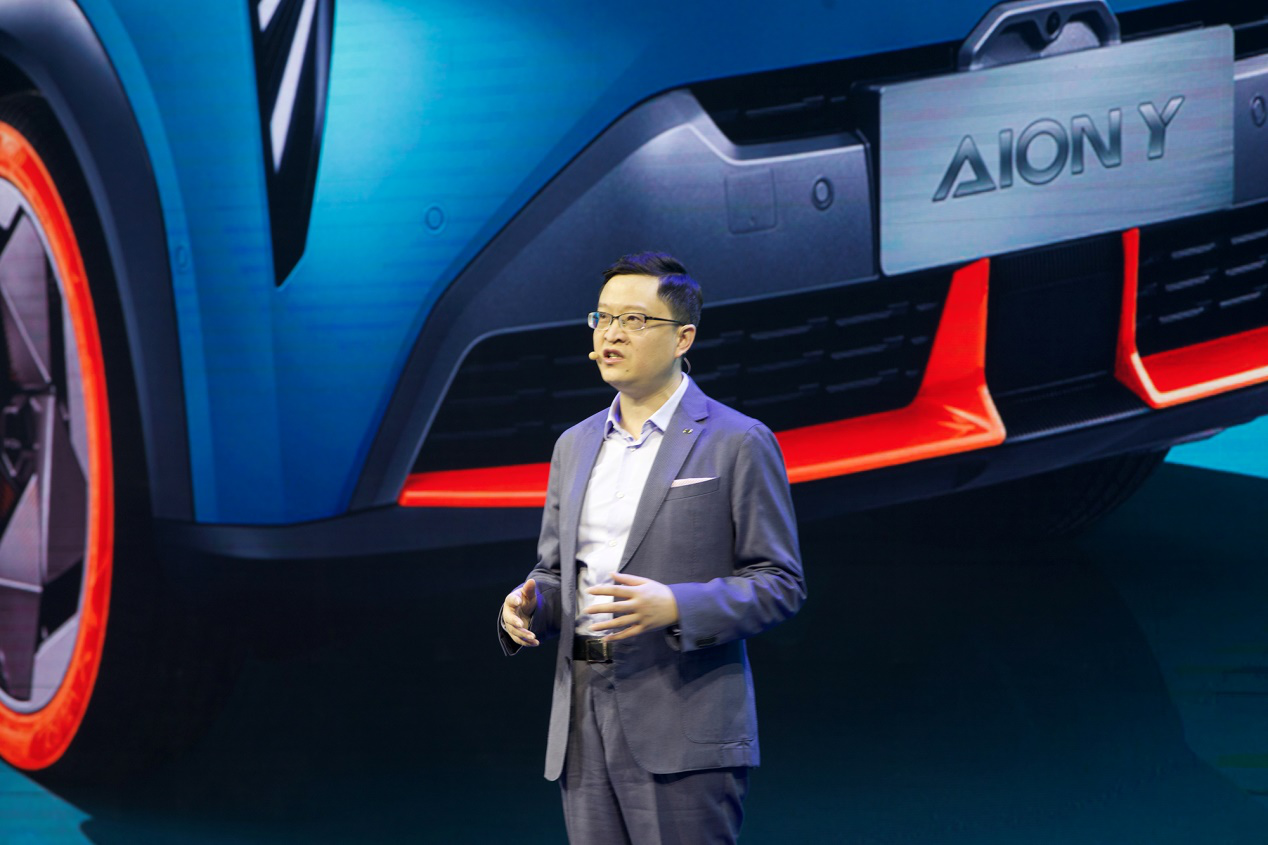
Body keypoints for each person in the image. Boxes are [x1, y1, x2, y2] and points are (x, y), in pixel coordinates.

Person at [498, 252, 806, 844]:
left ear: (683, 338)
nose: (611, 334)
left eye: (634, 320)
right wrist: (529, 604)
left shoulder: (738, 441)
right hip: (582, 714)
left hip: (681, 718)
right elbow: (555, 574)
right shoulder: (573, 445)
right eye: (603, 318)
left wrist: (677, 606)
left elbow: (780, 582)